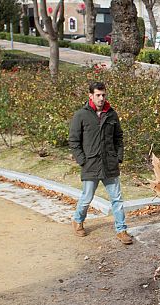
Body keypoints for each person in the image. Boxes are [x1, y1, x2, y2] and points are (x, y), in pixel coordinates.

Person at [69, 81, 133, 245]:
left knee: (117, 199)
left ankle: (121, 230)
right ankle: (78, 220)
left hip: (110, 164)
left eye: (103, 95)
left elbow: (118, 137)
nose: (101, 98)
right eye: (98, 95)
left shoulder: (112, 114)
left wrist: (118, 157)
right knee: (87, 197)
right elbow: (74, 141)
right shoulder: (81, 115)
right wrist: (82, 160)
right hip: (90, 164)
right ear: (90, 96)